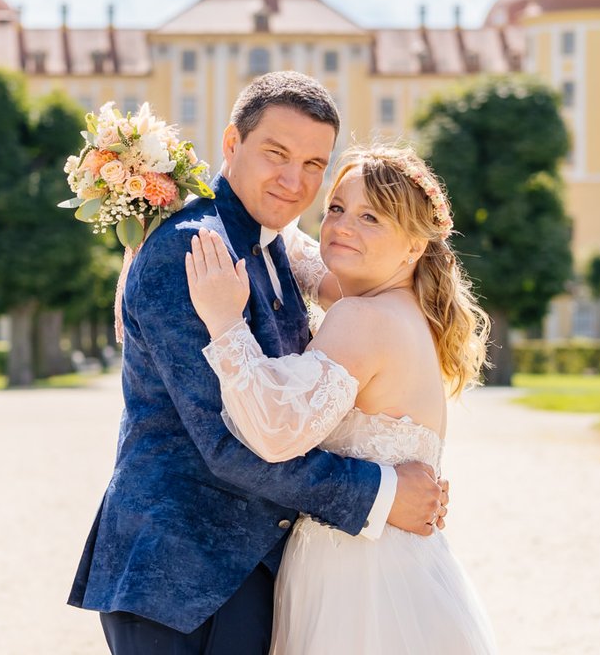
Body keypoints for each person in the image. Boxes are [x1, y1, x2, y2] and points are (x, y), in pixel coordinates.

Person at [69, 72, 449, 654]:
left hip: (248, 576)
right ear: (230, 144)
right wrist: (380, 492)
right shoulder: (193, 251)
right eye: (277, 153)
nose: (294, 180)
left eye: (314, 164)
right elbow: (227, 444)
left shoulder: (272, 243)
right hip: (181, 577)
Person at [185, 143, 498, 653]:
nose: (341, 227)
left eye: (370, 217)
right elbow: (314, 260)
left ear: (414, 247)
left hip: (353, 577)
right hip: (407, 571)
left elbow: (275, 429)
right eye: (336, 209)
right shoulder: (410, 309)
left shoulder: (362, 318)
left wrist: (224, 322)